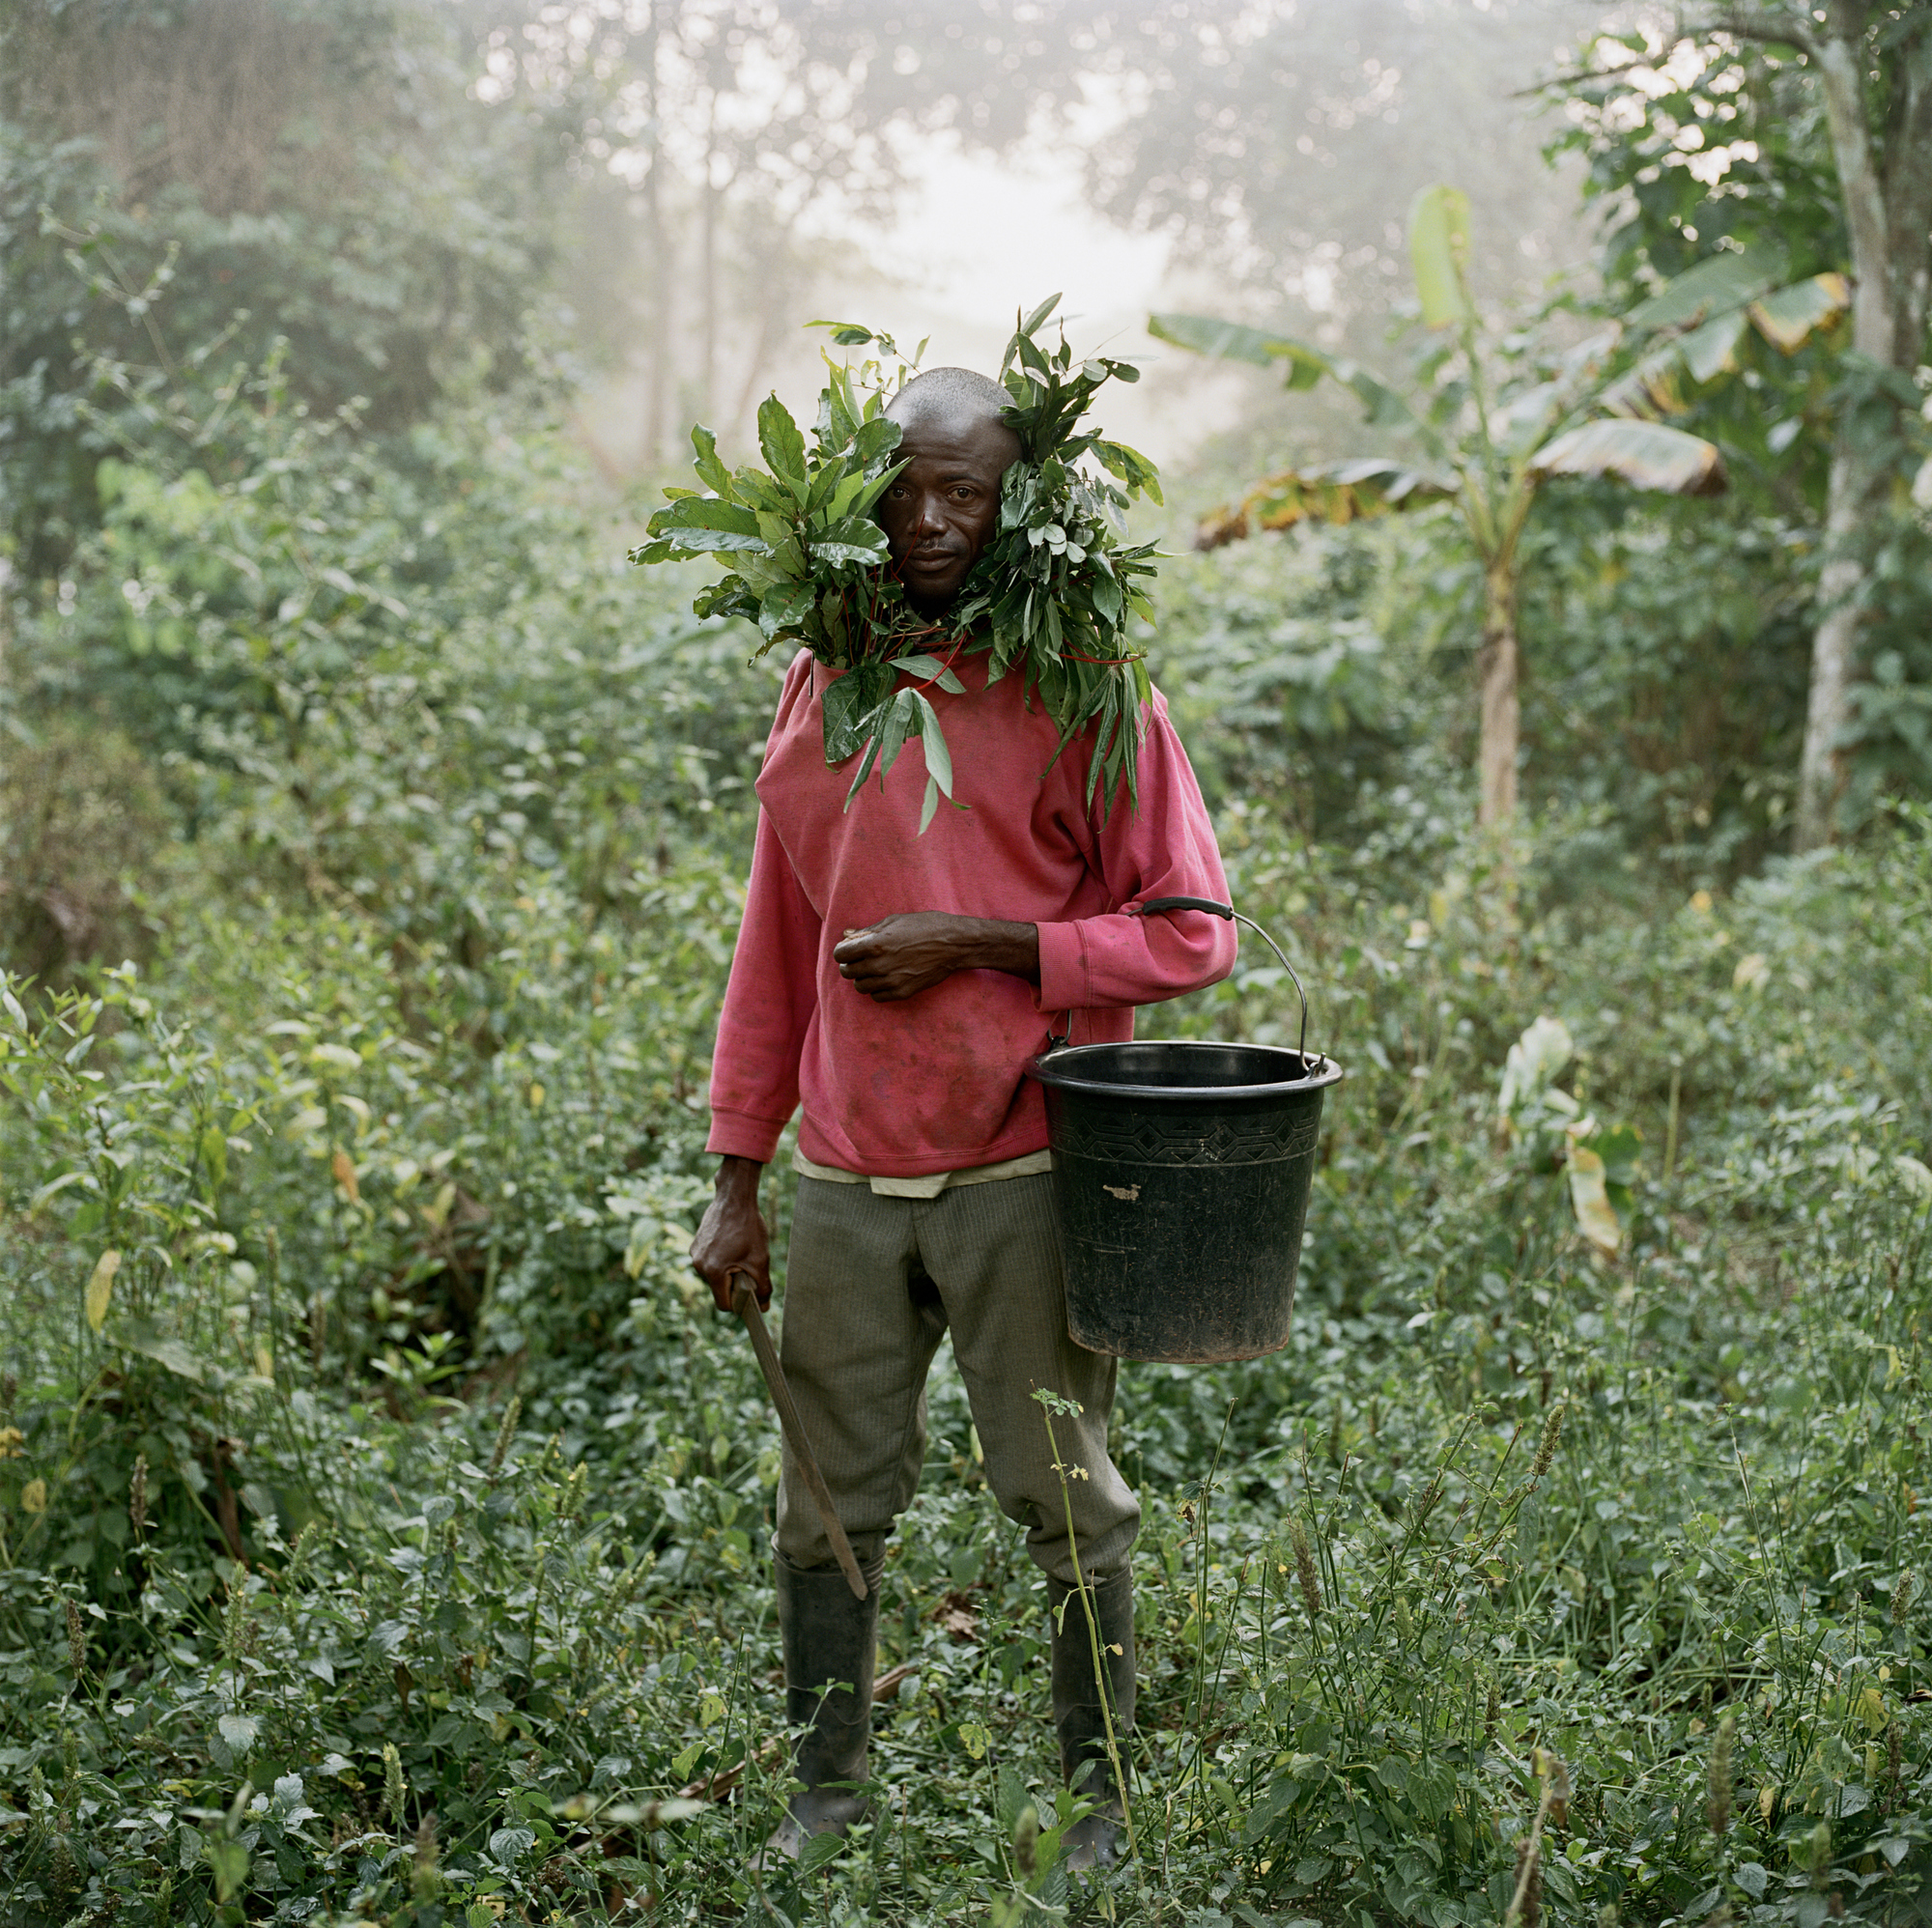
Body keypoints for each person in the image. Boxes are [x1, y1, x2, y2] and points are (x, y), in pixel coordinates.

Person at [689, 364, 1236, 1870]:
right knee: (824, 1502)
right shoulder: (825, 679)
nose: (933, 523)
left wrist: (984, 944)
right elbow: (774, 945)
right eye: (907, 491)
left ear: (1020, 507)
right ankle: (826, 1798)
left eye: (967, 493)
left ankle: (1099, 1812)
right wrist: (738, 1174)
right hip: (846, 1175)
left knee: (1067, 1500)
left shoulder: (1092, 691)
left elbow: (1193, 930)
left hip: (1026, 1162)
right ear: (859, 502)